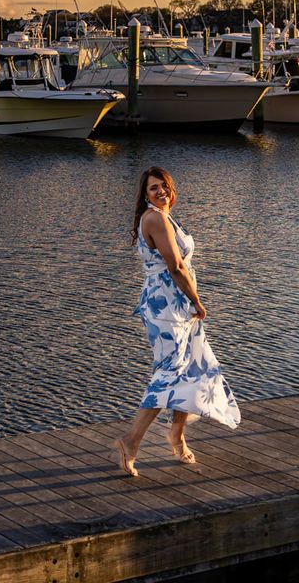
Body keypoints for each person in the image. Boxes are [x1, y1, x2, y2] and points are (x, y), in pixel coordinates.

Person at [114, 165, 240, 476]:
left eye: (164, 186)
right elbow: (176, 268)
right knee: (168, 374)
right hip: (168, 308)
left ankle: (177, 436)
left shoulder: (163, 216)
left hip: (176, 306)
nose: (161, 191)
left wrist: (191, 303)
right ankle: (130, 442)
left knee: (195, 366)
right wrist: (197, 301)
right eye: (153, 188)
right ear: (145, 194)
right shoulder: (155, 218)